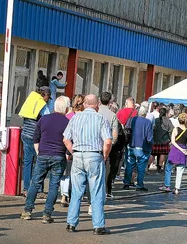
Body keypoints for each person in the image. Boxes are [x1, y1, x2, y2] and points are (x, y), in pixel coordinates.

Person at [63, 94, 112, 235]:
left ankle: (71, 223)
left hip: (78, 154)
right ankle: (98, 226)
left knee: (77, 191)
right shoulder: (100, 118)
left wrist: (74, 152)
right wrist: (104, 155)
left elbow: (66, 139)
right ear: (97, 105)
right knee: (96, 191)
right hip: (94, 155)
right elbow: (108, 141)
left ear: (84, 104)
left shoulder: (75, 118)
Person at [21, 96, 70, 223]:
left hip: (43, 154)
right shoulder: (68, 122)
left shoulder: (44, 119)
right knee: (54, 185)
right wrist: (68, 153)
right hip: (59, 156)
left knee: (35, 183)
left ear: (54, 107)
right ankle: (47, 214)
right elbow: (69, 140)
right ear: (66, 108)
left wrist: (39, 152)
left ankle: (27, 210)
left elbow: (35, 138)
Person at [19, 86, 52, 197]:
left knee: (27, 163)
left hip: (25, 135)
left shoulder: (30, 99)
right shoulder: (42, 104)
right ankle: (38, 190)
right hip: (36, 138)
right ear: (45, 95)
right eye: (48, 97)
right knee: (40, 163)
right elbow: (48, 119)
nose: (48, 100)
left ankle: (26, 189)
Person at [123, 104, 153, 191]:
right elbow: (149, 138)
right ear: (145, 113)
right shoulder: (148, 122)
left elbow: (127, 130)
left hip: (131, 145)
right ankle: (139, 184)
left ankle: (126, 183)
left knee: (129, 165)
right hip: (142, 147)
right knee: (141, 167)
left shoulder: (132, 119)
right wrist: (150, 146)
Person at [159, 113, 187, 194]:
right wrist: (184, 150)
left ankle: (167, 185)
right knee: (180, 171)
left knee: (168, 168)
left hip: (175, 150)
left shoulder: (175, 129)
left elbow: (173, 141)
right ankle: (177, 188)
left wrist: (179, 148)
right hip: (183, 151)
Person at [98, 92, 120, 198]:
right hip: (106, 146)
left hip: (92, 146)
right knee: (105, 171)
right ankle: (105, 191)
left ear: (99, 100)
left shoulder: (95, 112)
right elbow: (114, 136)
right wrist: (110, 146)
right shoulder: (112, 115)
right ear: (110, 101)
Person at [150, 108, 174, 174]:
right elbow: (172, 129)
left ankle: (147, 167)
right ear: (166, 113)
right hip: (164, 140)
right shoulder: (168, 120)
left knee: (152, 153)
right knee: (162, 153)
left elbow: (152, 128)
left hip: (155, 139)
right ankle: (159, 169)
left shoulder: (156, 120)